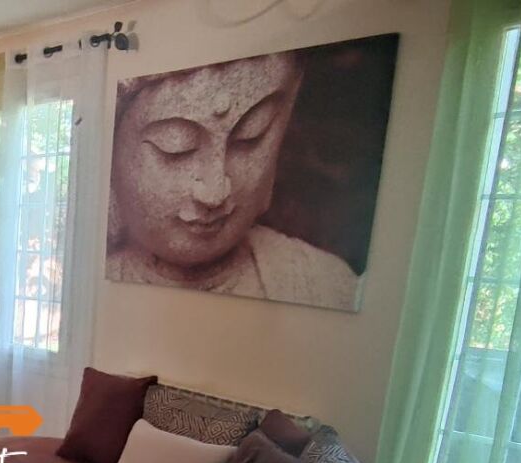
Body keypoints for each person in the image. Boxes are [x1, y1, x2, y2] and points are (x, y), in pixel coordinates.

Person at [106, 51, 359, 310]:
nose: (215, 193)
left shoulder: (320, 283)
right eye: (176, 147)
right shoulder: (86, 280)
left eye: (250, 137)